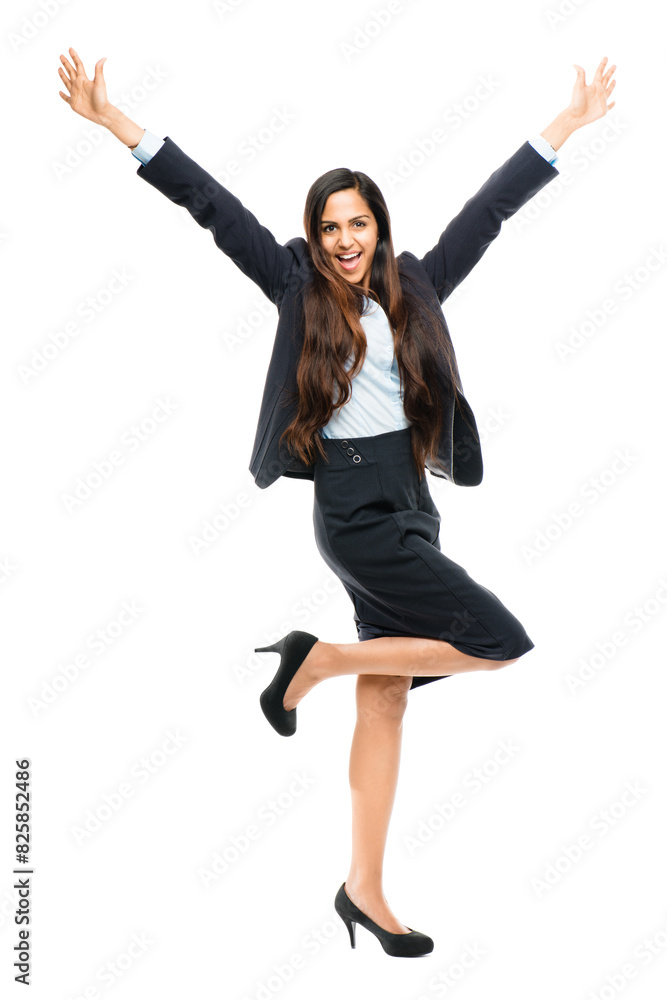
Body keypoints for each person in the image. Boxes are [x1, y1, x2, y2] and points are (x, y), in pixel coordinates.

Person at [58, 49, 616, 957]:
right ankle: (312, 663)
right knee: (498, 641)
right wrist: (119, 122)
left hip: (412, 502)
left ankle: (363, 887)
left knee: (388, 697)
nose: (346, 239)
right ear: (313, 238)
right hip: (354, 510)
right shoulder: (292, 285)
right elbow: (211, 207)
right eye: (329, 227)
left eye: (358, 223)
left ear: (379, 227)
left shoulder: (418, 286)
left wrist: (566, 124)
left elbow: (490, 211)